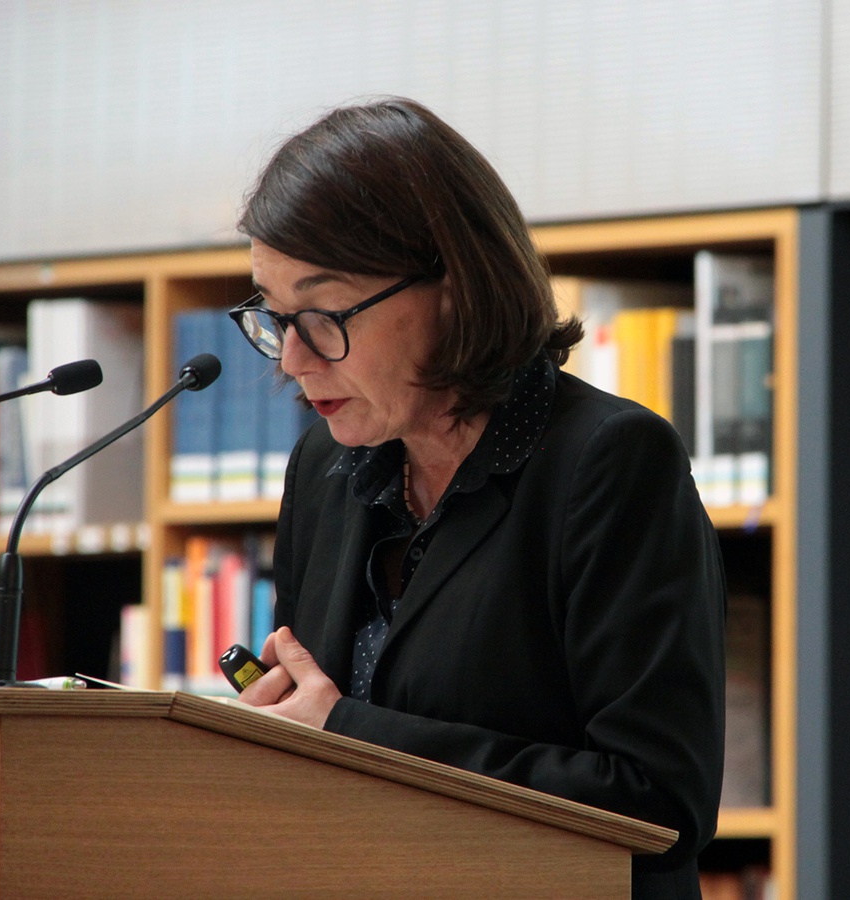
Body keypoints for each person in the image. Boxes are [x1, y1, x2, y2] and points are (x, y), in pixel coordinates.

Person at [229, 96, 725, 899]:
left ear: (455, 286)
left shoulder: (609, 463)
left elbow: (659, 802)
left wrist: (348, 735)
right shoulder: (325, 466)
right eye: (274, 316)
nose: (292, 359)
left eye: (321, 315)